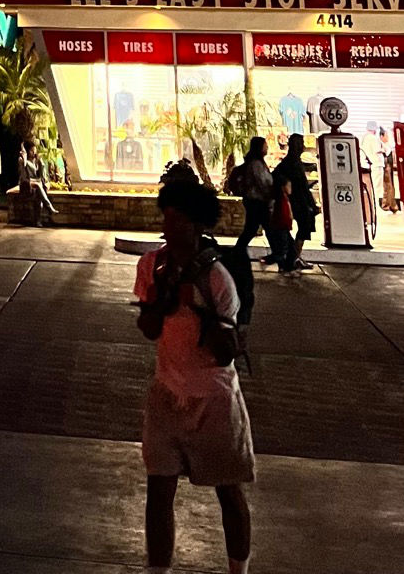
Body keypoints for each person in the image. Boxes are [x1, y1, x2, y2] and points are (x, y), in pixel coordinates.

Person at [134, 169, 255, 574]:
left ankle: (238, 568)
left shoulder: (218, 276)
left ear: (199, 224)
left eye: (178, 219)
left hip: (214, 400)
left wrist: (201, 307)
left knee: (229, 491)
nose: (168, 227)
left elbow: (224, 353)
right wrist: (159, 300)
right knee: (158, 489)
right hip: (166, 393)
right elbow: (149, 331)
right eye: (166, 217)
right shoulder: (152, 265)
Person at [229, 137, 288, 271]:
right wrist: (273, 194)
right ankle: (279, 258)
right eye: (265, 145)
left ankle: (238, 253)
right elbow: (264, 183)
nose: (267, 147)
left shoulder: (256, 163)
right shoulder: (256, 164)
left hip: (256, 202)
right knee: (266, 229)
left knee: (253, 229)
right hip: (258, 202)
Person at [272, 134, 318, 270]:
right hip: (298, 203)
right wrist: (313, 205)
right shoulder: (294, 163)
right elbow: (303, 187)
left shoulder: (288, 162)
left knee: (298, 230)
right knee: (303, 229)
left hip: (294, 201)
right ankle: (293, 259)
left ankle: (294, 257)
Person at [18, 138, 59, 225]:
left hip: (37, 185)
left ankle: (38, 221)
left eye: (34, 150)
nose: (34, 152)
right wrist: (24, 159)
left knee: (38, 195)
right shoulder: (21, 160)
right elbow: (24, 175)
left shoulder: (36, 160)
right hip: (26, 185)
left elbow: (42, 175)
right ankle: (50, 207)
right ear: (26, 151)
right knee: (37, 186)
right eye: (31, 151)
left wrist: (41, 163)